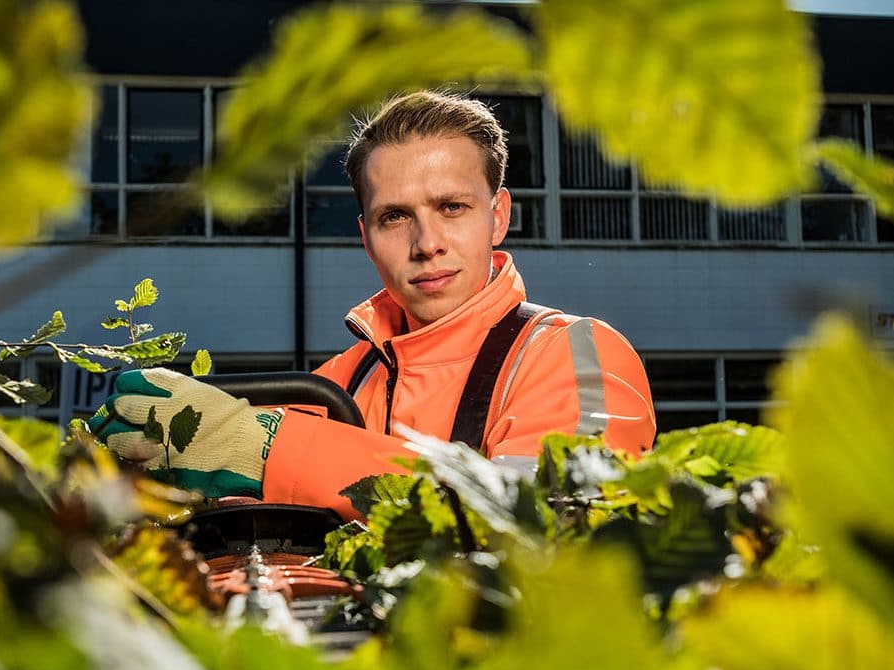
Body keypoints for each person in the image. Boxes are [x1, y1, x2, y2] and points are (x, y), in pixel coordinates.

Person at [90, 91, 654, 519]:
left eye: (452, 207)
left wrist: (262, 447)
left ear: (499, 216)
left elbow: (541, 520)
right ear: (366, 237)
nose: (427, 242)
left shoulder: (572, 354)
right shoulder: (336, 383)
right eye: (396, 216)